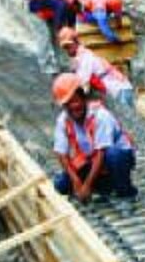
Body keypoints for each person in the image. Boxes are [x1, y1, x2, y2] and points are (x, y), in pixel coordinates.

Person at [50, 73, 139, 212]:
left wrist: (87, 185)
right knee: (61, 184)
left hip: (114, 161)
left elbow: (101, 154)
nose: (73, 107)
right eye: (68, 104)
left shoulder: (101, 116)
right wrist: (77, 182)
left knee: (114, 155)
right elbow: (61, 153)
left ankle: (126, 194)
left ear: (84, 98)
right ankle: (104, 188)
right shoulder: (63, 119)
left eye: (76, 101)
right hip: (93, 162)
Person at [58, 28, 136, 110]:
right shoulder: (80, 58)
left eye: (68, 46)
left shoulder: (85, 57)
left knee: (127, 119)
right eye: (65, 47)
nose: (67, 50)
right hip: (117, 89)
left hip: (119, 89)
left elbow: (82, 83)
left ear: (75, 42)